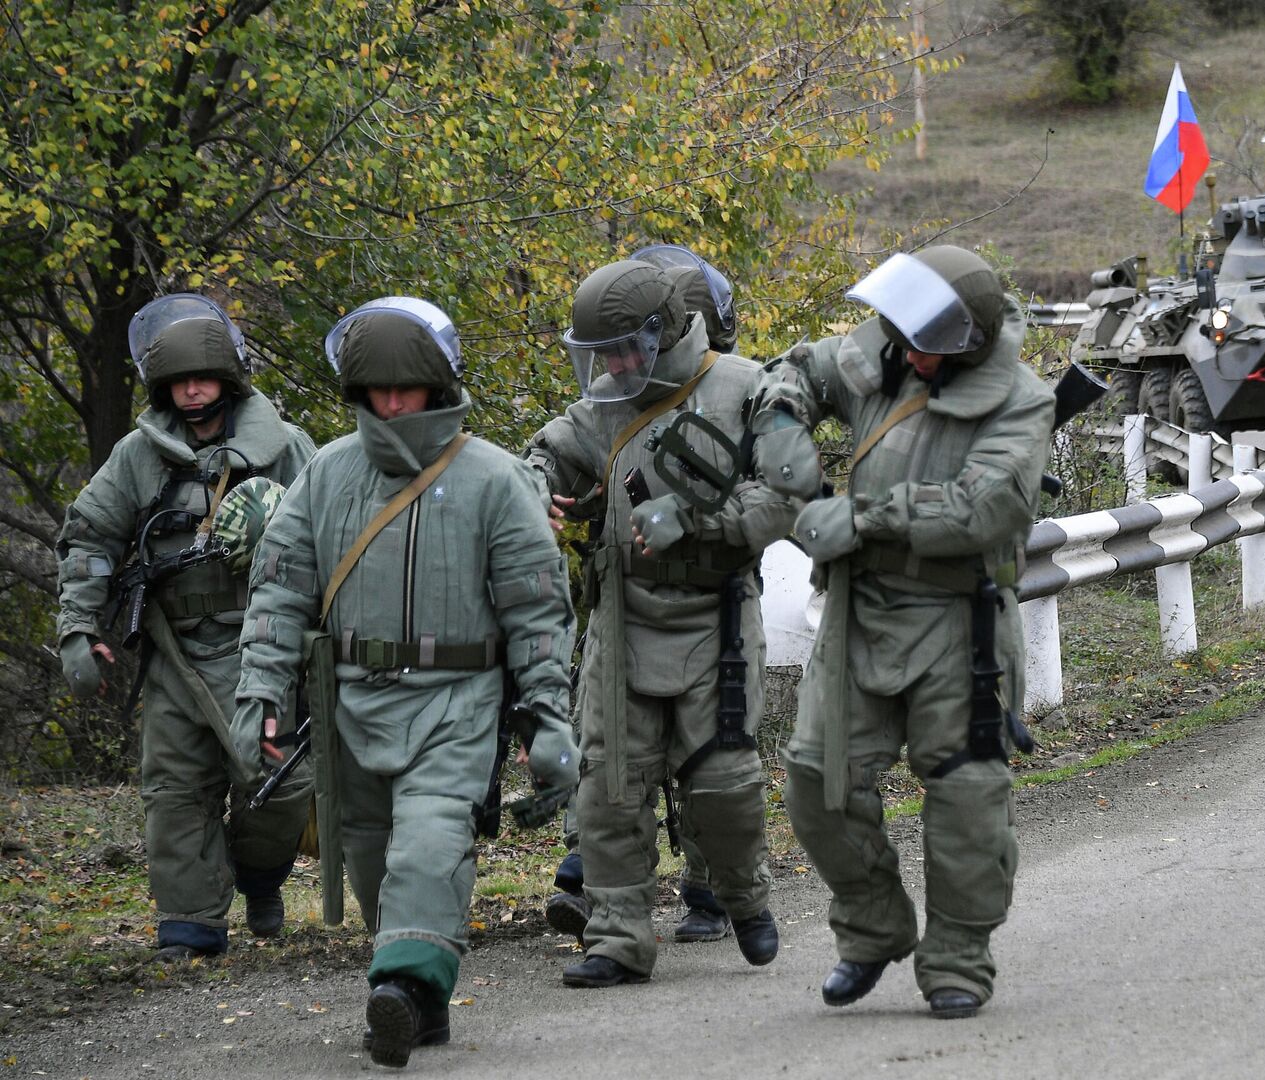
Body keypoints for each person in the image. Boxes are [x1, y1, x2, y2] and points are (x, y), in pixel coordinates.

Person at [230, 297, 577, 1067]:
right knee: (372, 856)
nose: (392, 403)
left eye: (406, 388)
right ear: (355, 392)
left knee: (430, 845)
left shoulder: (493, 479)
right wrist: (258, 695)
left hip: (459, 701)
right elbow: (278, 589)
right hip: (350, 702)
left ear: (438, 385)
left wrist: (549, 716)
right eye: (377, 389)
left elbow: (537, 607)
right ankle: (421, 999)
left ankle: (399, 986)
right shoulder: (325, 473)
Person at [751, 245, 1052, 1019]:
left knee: (966, 796)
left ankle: (957, 958)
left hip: (962, 621)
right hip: (858, 614)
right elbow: (793, 372)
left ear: (970, 341)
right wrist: (784, 430)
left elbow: (981, 508)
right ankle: (874, 926)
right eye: (905, 336)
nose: (911, 355)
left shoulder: (1020, 399)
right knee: (817, 783)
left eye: (929, 344)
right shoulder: (884, 353)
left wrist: (860, 517)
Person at [525, 256, 789, 989]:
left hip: (719, 613)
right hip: (622, 613)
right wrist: (534, 488)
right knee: (610, 782)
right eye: (598, 356)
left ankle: (745, 896)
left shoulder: (747, 387)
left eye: (621, 349)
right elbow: (548, 452)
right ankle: (616, 938)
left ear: (661, 332)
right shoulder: (606, 402)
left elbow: (788, 495)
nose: (610, 366)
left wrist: (698, 517)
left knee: (722, 782)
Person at [54, 293, 316, 963]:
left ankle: (259, 879)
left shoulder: (285, 448)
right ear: (163, 386)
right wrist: (78, 627)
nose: (193, 391)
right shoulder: (138, 457)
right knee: (174, 788)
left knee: (278, 785)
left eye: (203, 377)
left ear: (228, 380)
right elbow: (89, 536)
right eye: (179, 380)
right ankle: (191, 924)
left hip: (265, 646)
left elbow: (332, 531)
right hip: (173, 648)